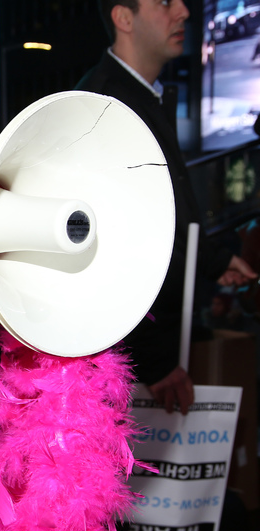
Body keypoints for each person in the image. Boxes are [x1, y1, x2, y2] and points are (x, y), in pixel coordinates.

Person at [76, 0, 257, 415]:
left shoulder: (137, 97)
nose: (184, 13)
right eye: (164, 3)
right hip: (128, 366)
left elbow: (163, 215)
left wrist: (212, 260)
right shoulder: (109, 106)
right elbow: (113, 249)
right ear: (124, 19)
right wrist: (155, 362)